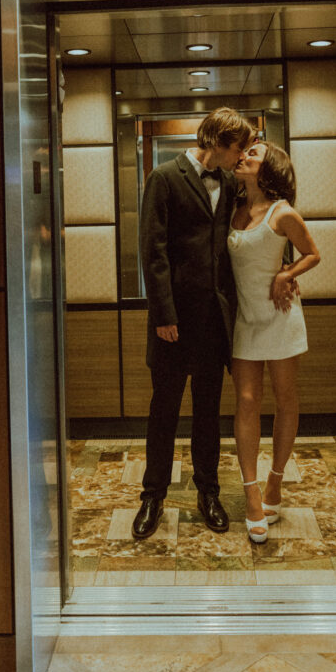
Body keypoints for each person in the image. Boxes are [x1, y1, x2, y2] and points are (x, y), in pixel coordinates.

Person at [131, 107, 255, 540]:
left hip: (214, 321)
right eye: (238, 147)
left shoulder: (228, 182)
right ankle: (153, 495)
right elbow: (153, 250)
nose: (241, 157)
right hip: (173, 319)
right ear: (218, 141)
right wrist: (163, 314)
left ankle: (209, 493)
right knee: (163, 410)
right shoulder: (163, 177)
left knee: (208, 411)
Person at [228, 141, 320, 543]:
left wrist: (286, 275)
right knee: (247, 401)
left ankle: (275, 483)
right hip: (244, 319)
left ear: (270, 168)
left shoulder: (283, 212)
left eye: (254, 154)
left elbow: (313, 253)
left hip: (280, 316)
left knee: (286, 399)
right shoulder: (231, 208)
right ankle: (250, 494)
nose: (245, 156)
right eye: (245, 151)